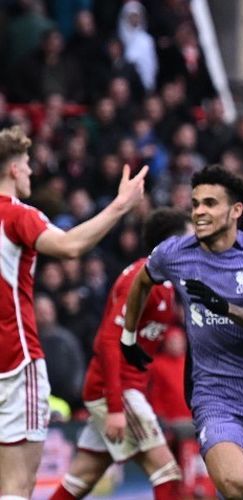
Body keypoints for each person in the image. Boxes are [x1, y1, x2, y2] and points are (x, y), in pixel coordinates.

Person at [121, 165, 243, 500]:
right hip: (213, 394)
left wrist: (227, 309)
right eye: (195, 204)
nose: (199, 212)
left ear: (235, 210)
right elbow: (142, 281)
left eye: (210, 203)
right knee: (234, 483)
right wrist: (129, 335)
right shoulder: (174, 253)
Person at [0, 125, 146, 499]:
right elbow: (69, 246)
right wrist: (120, 206)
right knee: (17, 485)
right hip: (16, 363)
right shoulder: (17, 215)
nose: (31, 172)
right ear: (14, 170)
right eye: (28, 164)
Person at [49, 208, 191, 500]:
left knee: (82, 478)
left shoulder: (164, 286)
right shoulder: (140, 281)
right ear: (170, 247)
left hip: (123, 389)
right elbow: (107, 343)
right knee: (167, 472)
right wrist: (115, 407)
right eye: (190, 242)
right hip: (115, 391)